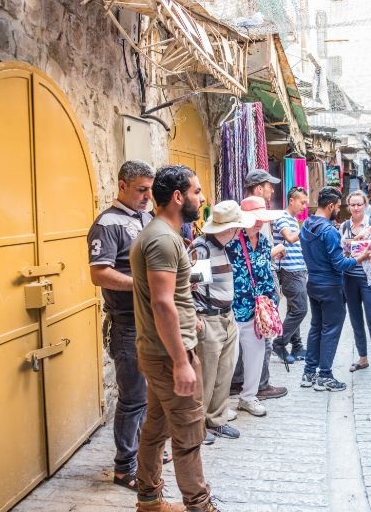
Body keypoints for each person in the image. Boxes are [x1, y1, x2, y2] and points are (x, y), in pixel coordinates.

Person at [130, 164, 217, 512]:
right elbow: (162, 302)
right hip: (169, 356)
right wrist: (182, 362)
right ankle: (199, 505)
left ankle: (149, 499)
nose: (201, 197)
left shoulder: (161, 234)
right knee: (188, 433)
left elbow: (172, 299)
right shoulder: (163, 239)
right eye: (196, 191)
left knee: (157, 425)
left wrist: (189, 318)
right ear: (178, 197)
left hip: (162, 350)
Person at [87, 160, 155, 491]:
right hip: (126, 324)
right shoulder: (107, 223)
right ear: (122, 185)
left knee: (147, 394)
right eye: (141, 189)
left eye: (150, 189)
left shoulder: (145, 217)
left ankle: (144, 452)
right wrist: (142, 284)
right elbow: (99, 273)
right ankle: (124, 466)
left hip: (148, 320)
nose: (147, 196)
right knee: (132, 398)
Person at [191, 201, 256, 442]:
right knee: (206, 377)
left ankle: (216, 420)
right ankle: (198, 427)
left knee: (224, 373)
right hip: (209, 318)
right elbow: (191, 287)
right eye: (235, 227)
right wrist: (196, 316)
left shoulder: (221, 247)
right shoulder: (203, 249)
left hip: (226, 317)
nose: (237, 232)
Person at [300, 187, 371, 391]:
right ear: (330, 206)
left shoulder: (306, 225)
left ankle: (309, 372)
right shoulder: (329, 230)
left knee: (316, 327)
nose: (339, 211)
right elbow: (340, 264)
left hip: (313, 283)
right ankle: (324, 375)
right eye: (338, 207)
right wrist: (360, 257)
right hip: (330, 286)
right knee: (330, 330)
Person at [228, 169, 288, 400]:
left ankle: (250, 396)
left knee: (257, 352)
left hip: (258, 308)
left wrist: (271, 301)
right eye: (255, 219)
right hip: (236, 307)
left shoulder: (263, 241)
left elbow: (263, 271)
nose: (259, 223)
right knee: (231, 357)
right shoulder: (231, 242)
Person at [339, 190, 371, 376]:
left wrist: (369, 253)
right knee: (356, 319)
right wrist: (348, 252)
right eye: (353, 204)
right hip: (349, 278)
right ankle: (363, 358)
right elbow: (340, 251)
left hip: (369, 278)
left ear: (365, 205)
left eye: (359, 204)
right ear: (348, 206)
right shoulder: (344, 226)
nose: (356, 207)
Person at [272, 187, 309, 364]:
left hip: (297, 269)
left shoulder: (293, 219)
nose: (304, 206)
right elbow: (289, 238)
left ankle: (297, 346)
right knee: (301, 309)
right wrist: (308, 228)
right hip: (289, 270)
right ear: (291, 200)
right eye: (302, 202)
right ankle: (279, 343)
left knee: (294, 309)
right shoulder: (283, 218)